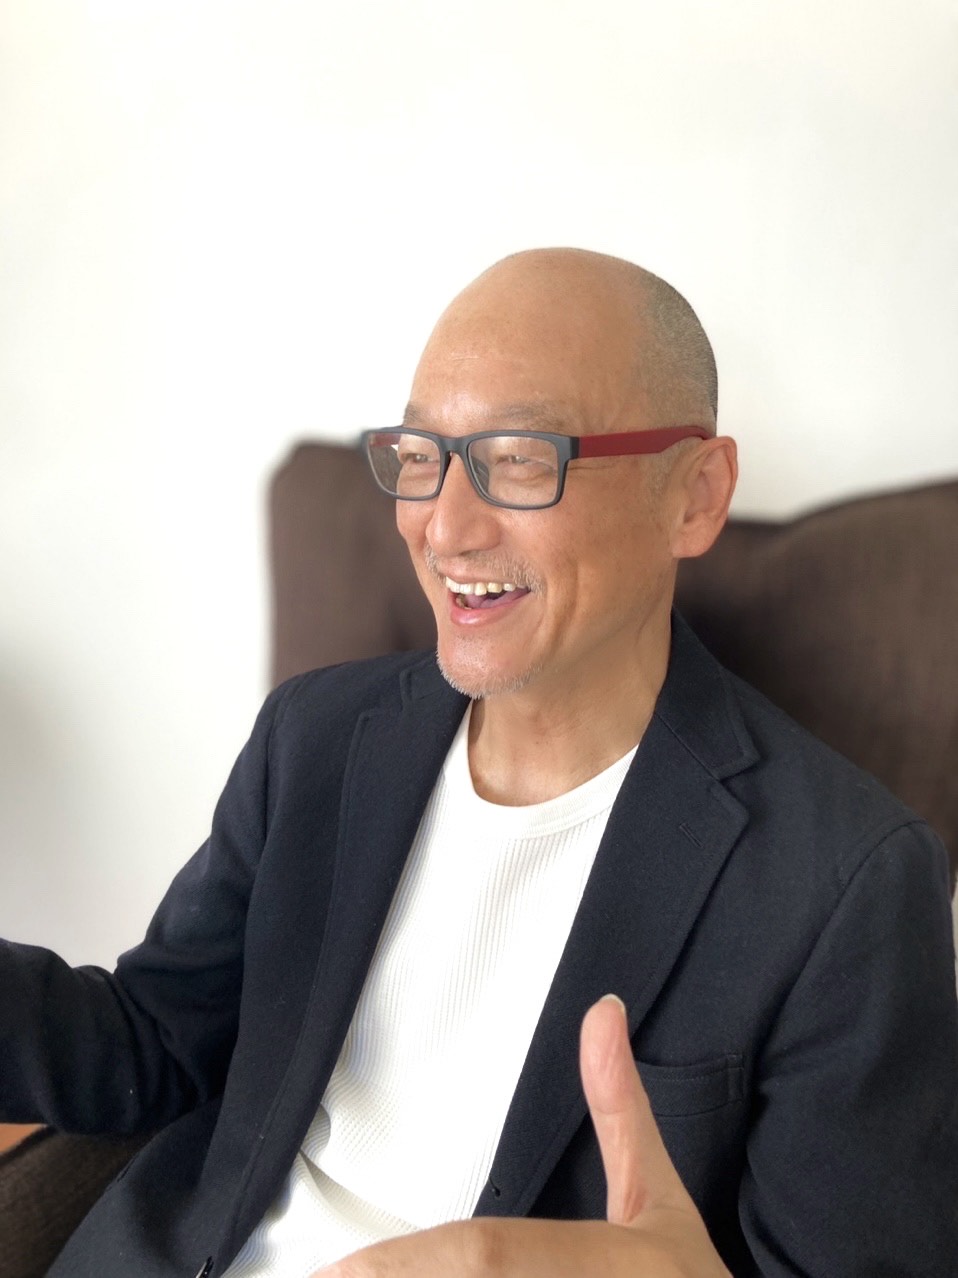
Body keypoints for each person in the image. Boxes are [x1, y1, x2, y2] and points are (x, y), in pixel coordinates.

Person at [2, 248, 956, 1278]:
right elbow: (157, 1041)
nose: (444, 529)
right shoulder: (316, 737)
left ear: (694, 493)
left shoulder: (848, 885)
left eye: (519, 458)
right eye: (421, 456)